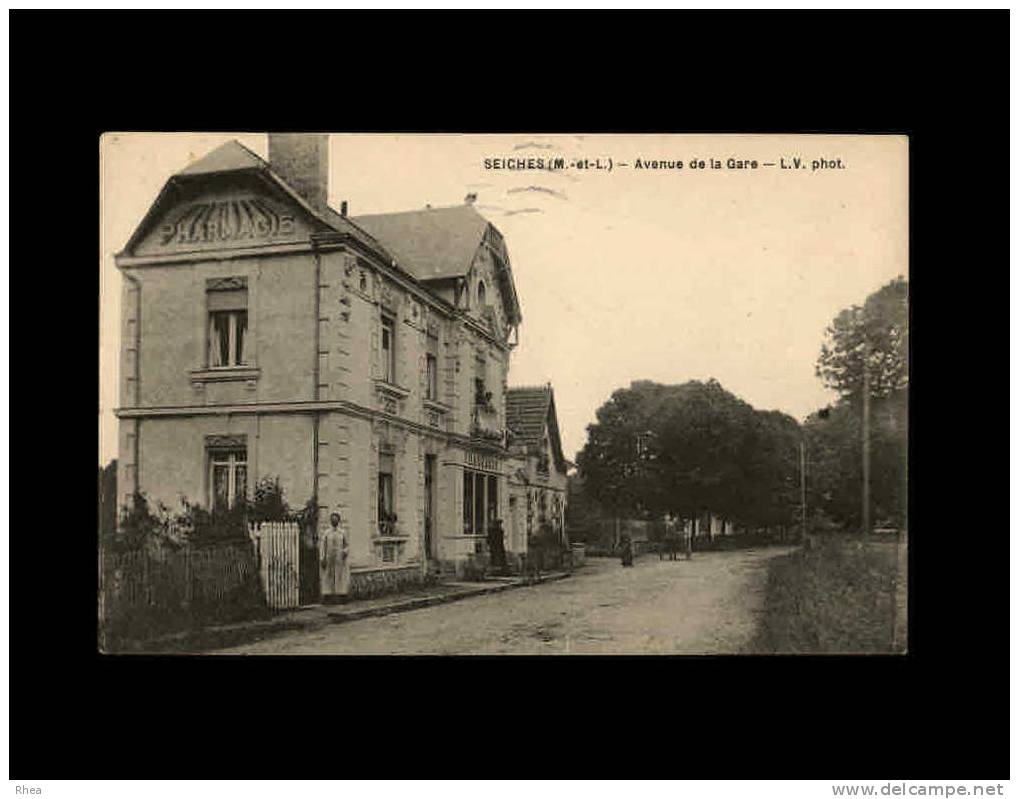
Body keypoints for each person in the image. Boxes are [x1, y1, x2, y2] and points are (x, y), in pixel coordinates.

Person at [319, 511, 350, 603]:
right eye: (333, 519)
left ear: (338, 521)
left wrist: (345, 552)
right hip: (329, 558)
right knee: (328, 576)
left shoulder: (342, 532)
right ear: (330, 521)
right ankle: (327, 597)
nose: (334, 521)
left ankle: (341, 596)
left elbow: (347, 545)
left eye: (336, 519)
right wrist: (322, 558)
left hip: (339, 558)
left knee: (340, 576)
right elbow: (322, 546)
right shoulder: (327, 533)